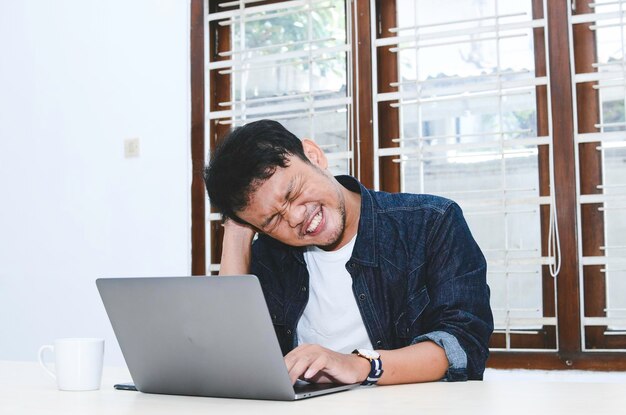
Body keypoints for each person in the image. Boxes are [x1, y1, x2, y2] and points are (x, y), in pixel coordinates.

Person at [204, 119, 493, 386]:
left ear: (314, 156)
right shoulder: (269, 255)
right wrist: (237, 232)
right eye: (273, 220)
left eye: (292, 192)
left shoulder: (431, 222)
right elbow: (229, 360)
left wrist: (361, 365)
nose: (294, 218)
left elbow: (463, 345)